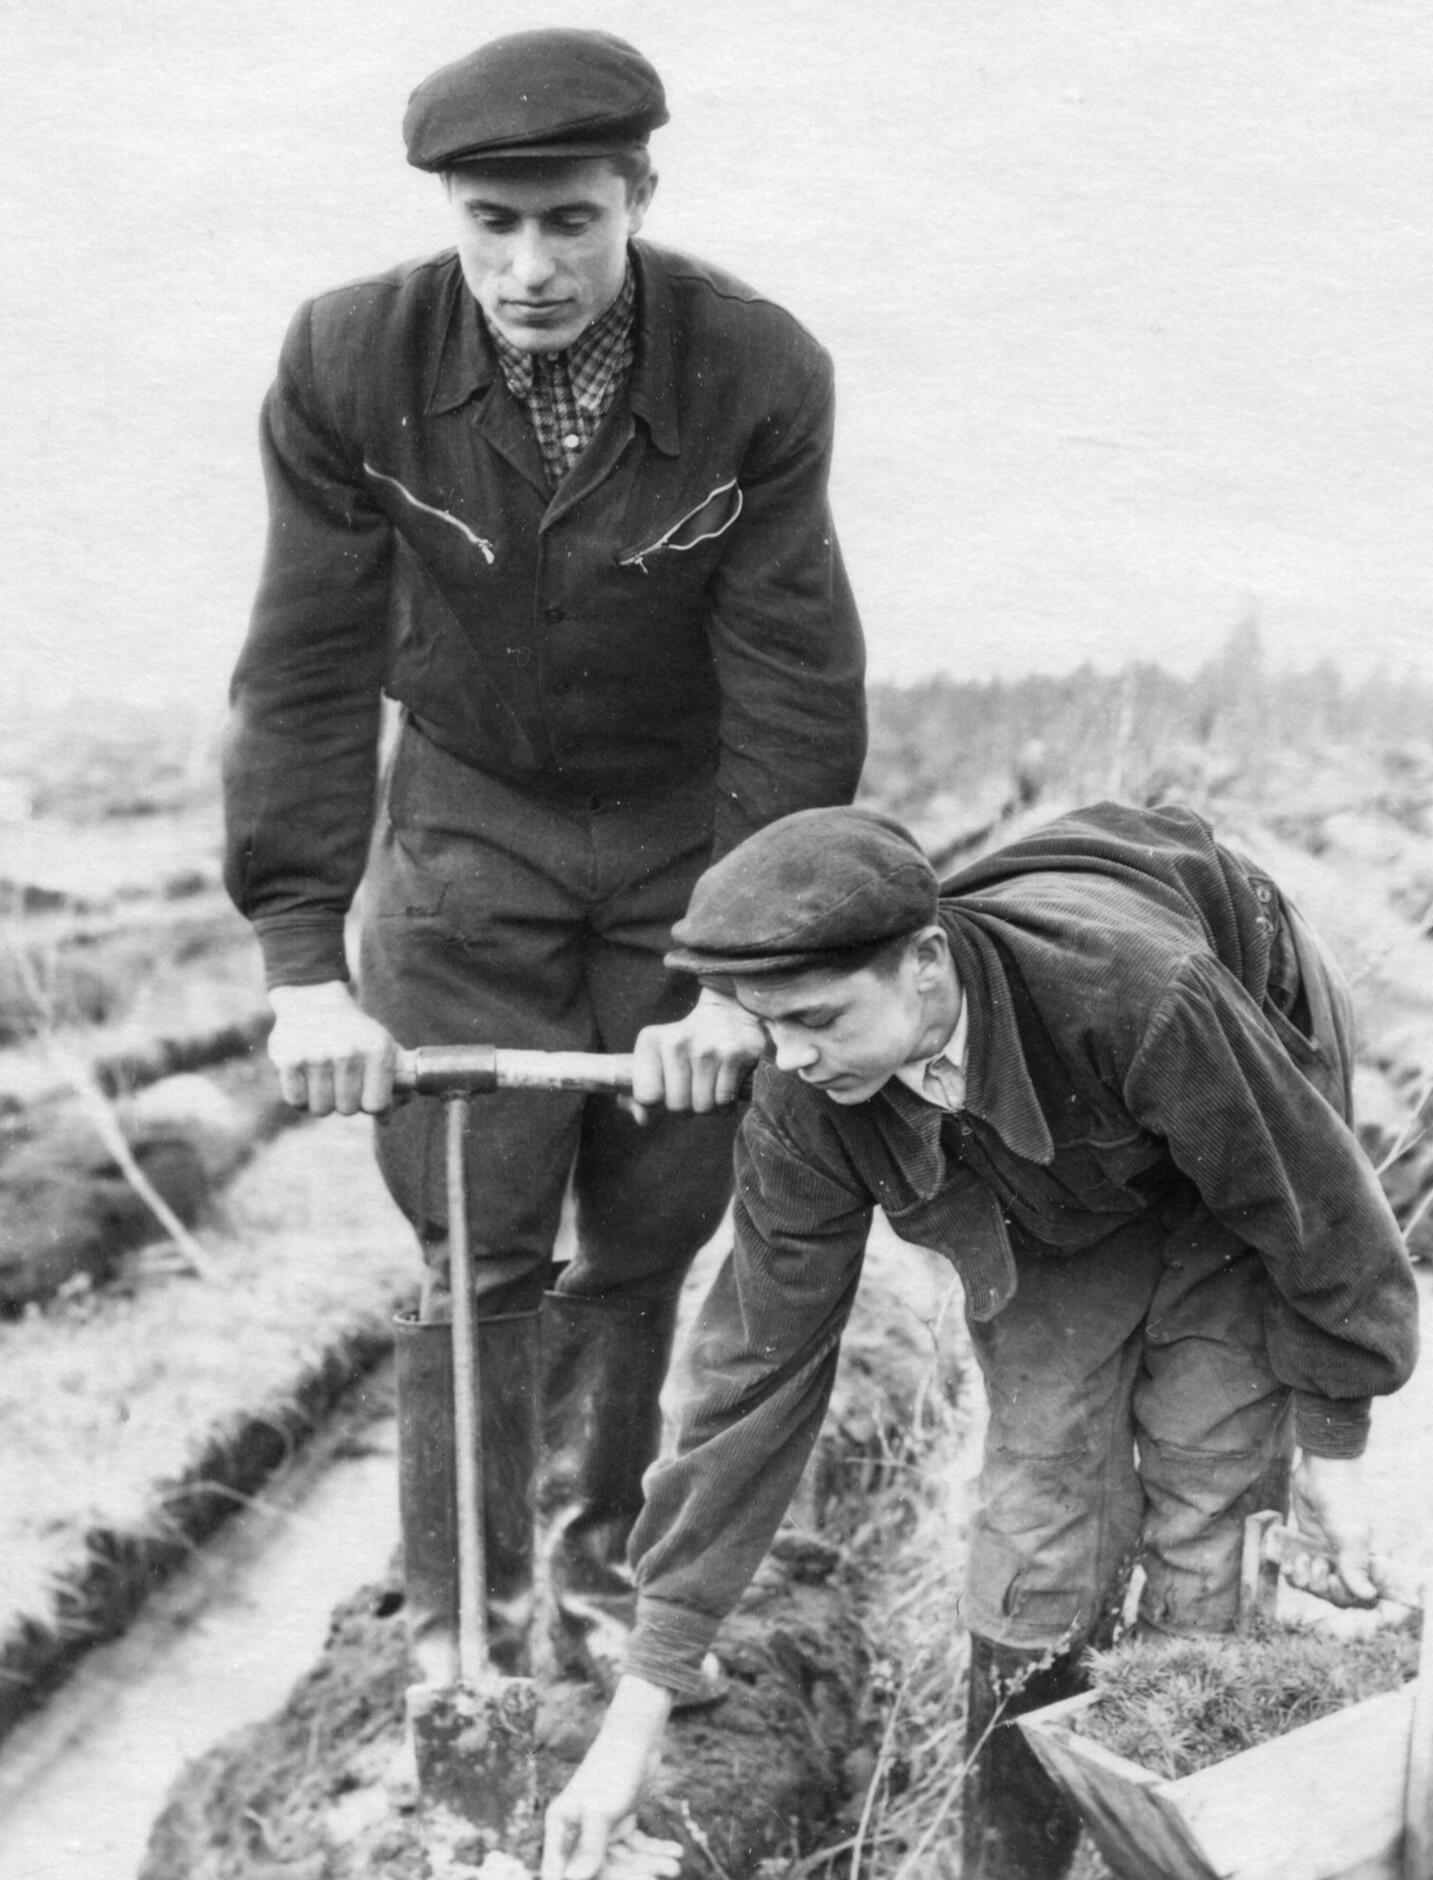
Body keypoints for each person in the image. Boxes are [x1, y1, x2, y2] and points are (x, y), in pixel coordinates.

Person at [220, 27, 866, 1729]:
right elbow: (303, 662)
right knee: (471, 1242)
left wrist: (747, 975)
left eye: (570, 221)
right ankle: (466, 1616)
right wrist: (303, 966)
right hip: (465, 845)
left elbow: (797, 684)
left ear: (638, 199)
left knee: (644, 1242)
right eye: (490, 223)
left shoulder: (756, 370)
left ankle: (592, 1572)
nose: (529, 267)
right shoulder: (348, 361)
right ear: (448, 212)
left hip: (684, 856)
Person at [540, 800, 1419, 1880]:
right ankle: (1011, 1861)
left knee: (1209, 1492)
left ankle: (1176, 1839)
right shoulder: (806, 1096)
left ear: (923, 960)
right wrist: (639, 1708)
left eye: (817, 1016)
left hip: (1226, 1069)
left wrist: (1334, 1442)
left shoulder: (1145, 996)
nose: (793, 1056)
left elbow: (1315, 1211)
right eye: (765, 1025)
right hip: (1048, 1168)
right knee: (1038, 1522)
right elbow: (747, 1380)